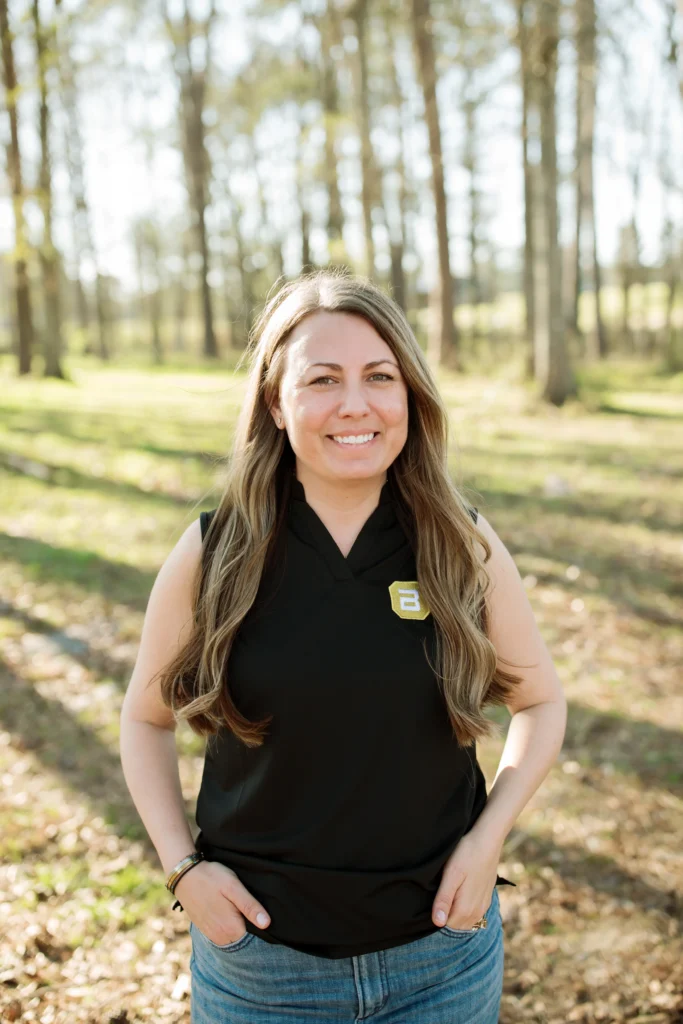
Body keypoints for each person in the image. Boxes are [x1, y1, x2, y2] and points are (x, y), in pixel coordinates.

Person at [119, 269, 567, 1023]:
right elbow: (144, 718)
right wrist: (182, 868)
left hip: (441, 958)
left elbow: (541, 701)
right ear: (275, 402)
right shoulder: (213, 552)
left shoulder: (459, 541)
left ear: (409, 396)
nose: (354, 405)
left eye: (378, 377)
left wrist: (487, 838)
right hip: (261, 966)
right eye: (321, 380)